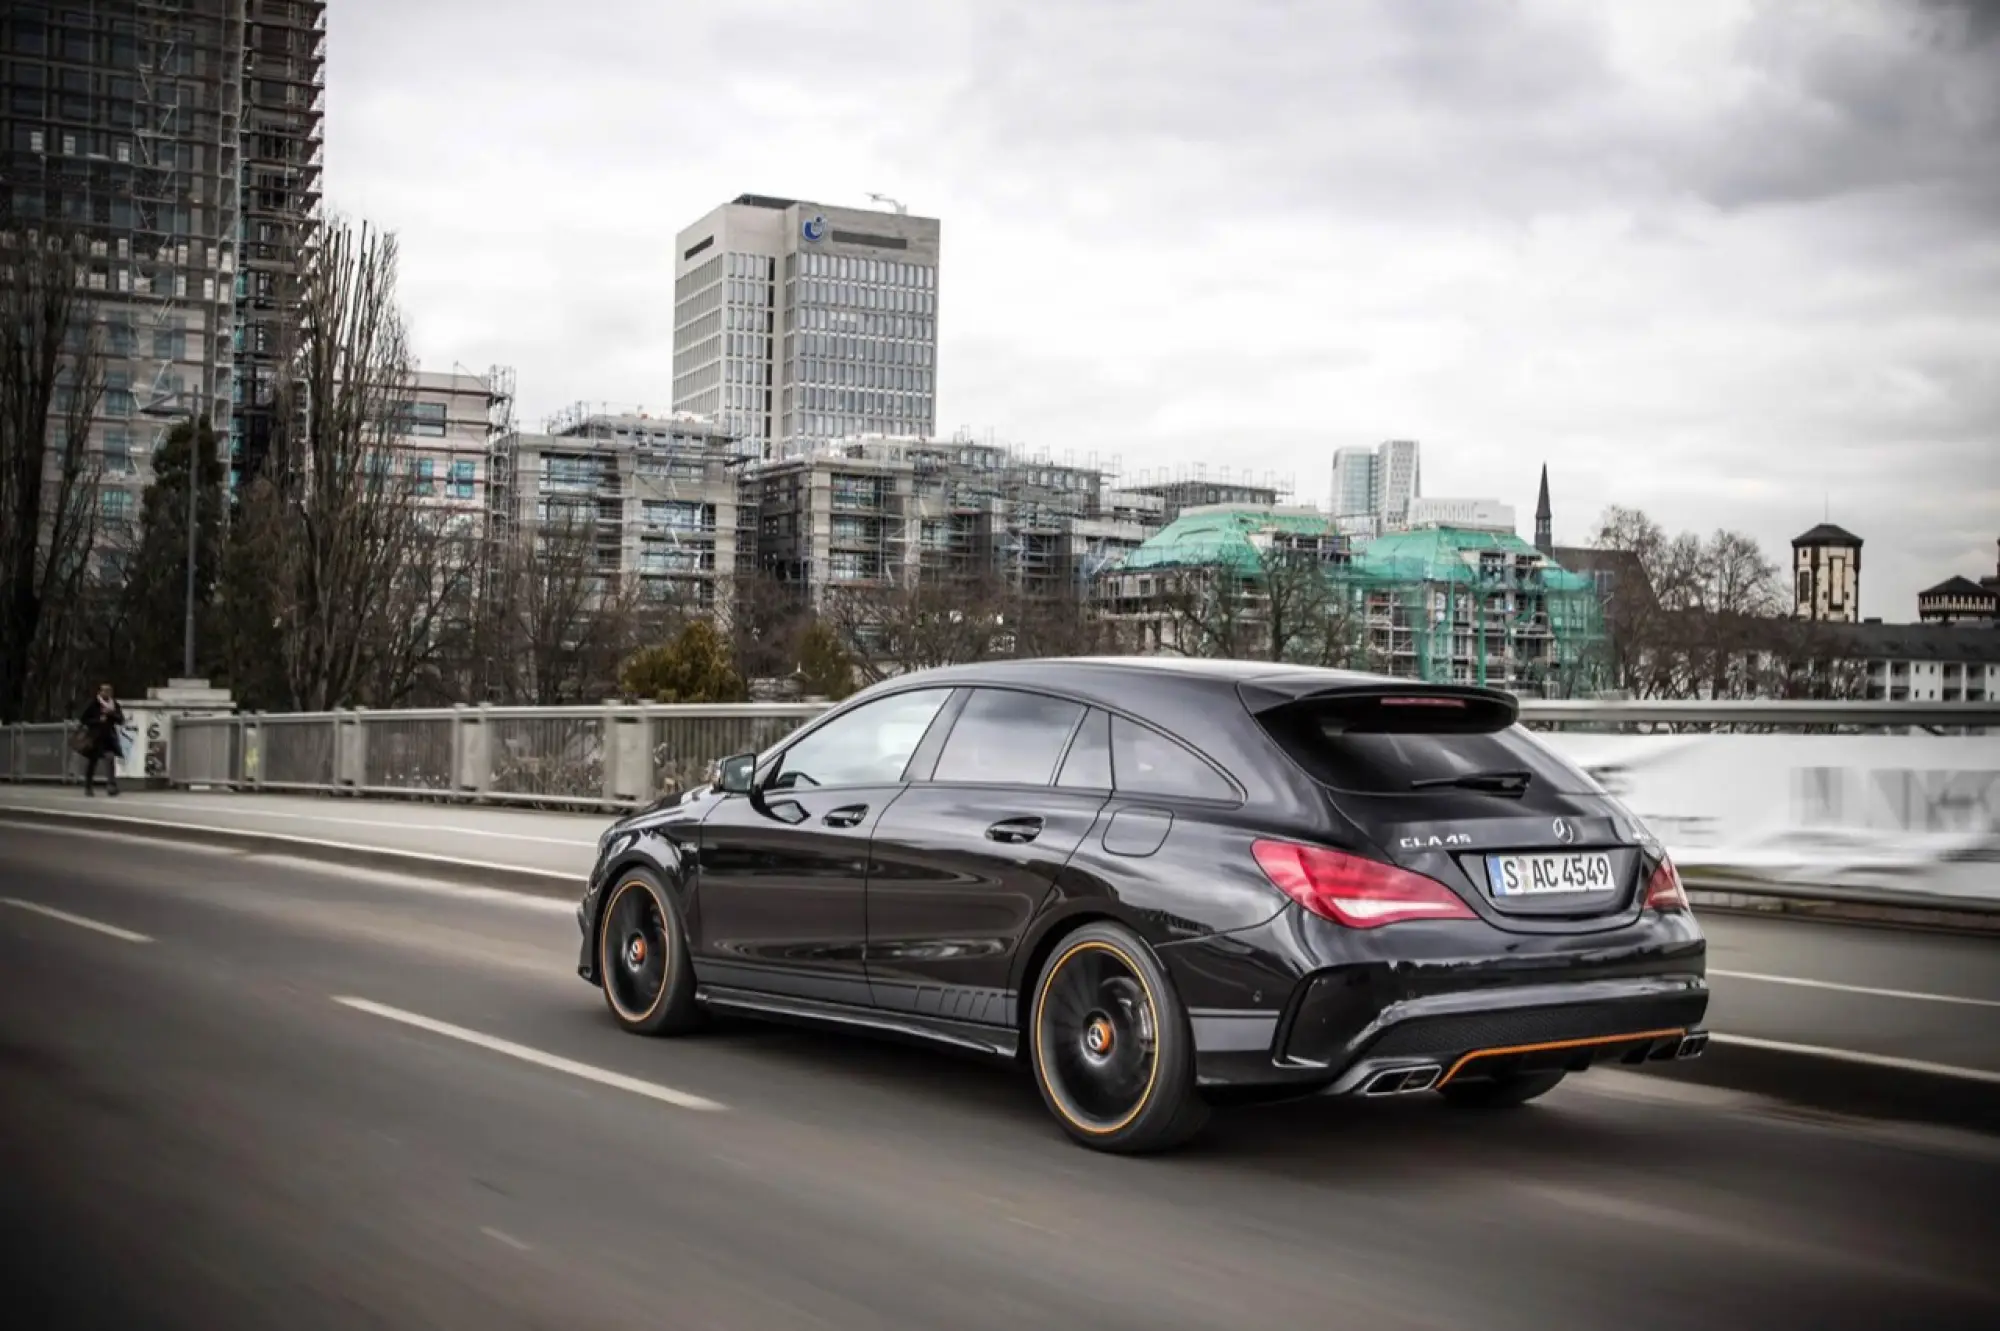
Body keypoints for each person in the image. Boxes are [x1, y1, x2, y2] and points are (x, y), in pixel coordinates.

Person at [78, 683, 126, 797]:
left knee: (110, 759)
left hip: (108, 738)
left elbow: (121, 720)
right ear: (100, 692)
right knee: (92, 763)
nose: (107, 693)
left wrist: (111, 714)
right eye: (105, 691)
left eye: (109, 691)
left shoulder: (114, 705)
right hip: (94, 738)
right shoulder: (93, 704)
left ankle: (111, 785)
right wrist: (98, 720)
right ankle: (88, 786)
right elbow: (84, 719)